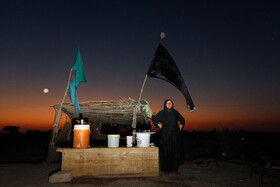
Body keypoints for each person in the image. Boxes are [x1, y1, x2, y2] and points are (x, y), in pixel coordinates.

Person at [152, 99, 185, 174]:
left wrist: (181, 125)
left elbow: (182, 119)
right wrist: (158, 124)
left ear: (172, 104)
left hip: (175, 134)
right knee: (166, 151)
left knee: (174, 151)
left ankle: (174, 169)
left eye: (170, 103)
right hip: (165, 134)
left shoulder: (175, 112)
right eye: (167, 103)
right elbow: (154, 119)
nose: (169, 104)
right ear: (165, 104)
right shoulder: (162, 112)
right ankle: (165, 170)